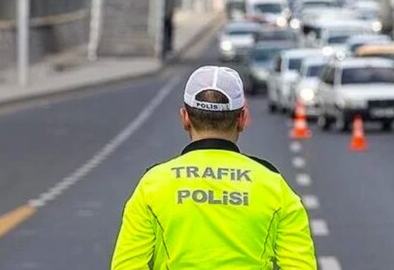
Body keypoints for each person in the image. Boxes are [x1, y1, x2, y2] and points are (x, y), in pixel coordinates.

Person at [111, 66, 317, 269]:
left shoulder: (153, 185)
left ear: (185, 118)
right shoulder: (275, 187)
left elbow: (126, 266)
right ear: (242, 119)